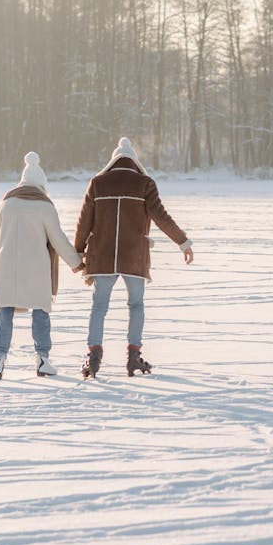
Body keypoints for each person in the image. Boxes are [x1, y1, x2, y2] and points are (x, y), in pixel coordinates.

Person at [74, 136, 193, 378]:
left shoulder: (97, 183)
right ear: (134, 161)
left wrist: (78, 252)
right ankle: (133, 357)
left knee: (99, 307)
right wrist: (183, 242)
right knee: (136, 305)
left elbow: (84, 220)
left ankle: (93, 357)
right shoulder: (144, 183)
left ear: (113, 160)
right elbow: (161, 217)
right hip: (134, 256)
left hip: (103, 256)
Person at [0, 152, 83, 379]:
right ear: (42, 184)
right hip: (38, 268)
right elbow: (58, 239)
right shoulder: (44, 205)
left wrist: (9, 251)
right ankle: (42, 360)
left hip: (7, 265)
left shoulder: (7, 203)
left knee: (5, 313)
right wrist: (76, 262)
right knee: (40, 313)